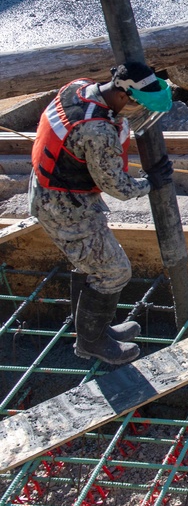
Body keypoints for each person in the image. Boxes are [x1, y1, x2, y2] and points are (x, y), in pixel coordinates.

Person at [29, 62, 174, 365]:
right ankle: (91, 342)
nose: (138, 113)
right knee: (114, 272)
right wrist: (152, 182)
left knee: (91, 265)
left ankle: (96, 331)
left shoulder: (78, 88)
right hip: (64, 208)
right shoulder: (98, 131)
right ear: (123, 96)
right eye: (138, 105)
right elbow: (117, 187)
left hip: (57, 193)